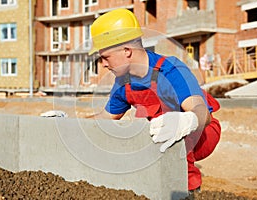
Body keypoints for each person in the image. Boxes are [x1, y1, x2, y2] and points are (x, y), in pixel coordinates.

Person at [89, 8, 221, 193]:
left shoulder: (170, 70)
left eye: (105, 57)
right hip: (169, 127)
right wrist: (65, 122)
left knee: (171, 137)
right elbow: (106, 117)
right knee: (144, 137)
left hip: (203, 131)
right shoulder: (123, 82)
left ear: (127, 51)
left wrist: (186, 120)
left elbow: (201, 111)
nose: (102, 64)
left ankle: (188, 190)